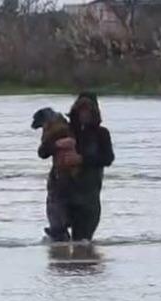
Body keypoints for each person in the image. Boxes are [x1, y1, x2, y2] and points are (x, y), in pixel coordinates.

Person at [38, 92, 114, 242]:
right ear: (75, 110)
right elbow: (42, 152)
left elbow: (108, 158)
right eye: (81, 109)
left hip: (88, 196)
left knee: (83, 243)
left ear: (95, 112)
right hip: (60, 192)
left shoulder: (101, 134)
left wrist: (81, 159)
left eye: (88, 110)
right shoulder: (63, 130)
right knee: (58, 235)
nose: (84, 114)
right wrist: (56, 145)